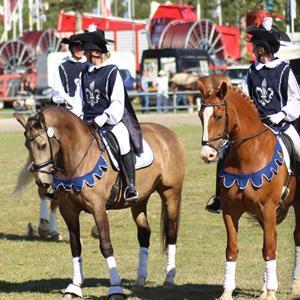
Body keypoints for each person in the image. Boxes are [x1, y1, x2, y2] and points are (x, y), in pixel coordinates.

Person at [206, 17, 300, 213]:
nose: (253, 49)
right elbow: (243, 97)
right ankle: (219, 198)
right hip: (256, 125)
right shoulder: (251, 71)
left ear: (263, 48)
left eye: (255, 46)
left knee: (299, 149)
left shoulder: (284, 70)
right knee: (224, 153)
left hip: (281, 124)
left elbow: (295, 100)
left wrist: (282, 114)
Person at [78, 29, 143, 202]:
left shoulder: (112, 72)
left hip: (109, 121)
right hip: (87, 121)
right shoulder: (84, 72)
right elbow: (80, 100)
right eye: (91, 52)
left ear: (104, 53)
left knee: (122, 139)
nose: (94, 56)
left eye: (97, 52)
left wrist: (104, 117)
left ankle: (130, 185)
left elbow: (117, 102)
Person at [51, 34, 87, 117]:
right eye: (76, 46)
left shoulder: (89, 65)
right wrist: (72, 103)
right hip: (71, 110)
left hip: (89, 109)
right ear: (71, 48)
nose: (79, 49)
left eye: (81, 47)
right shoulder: (63, 66)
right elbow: (58, 89)